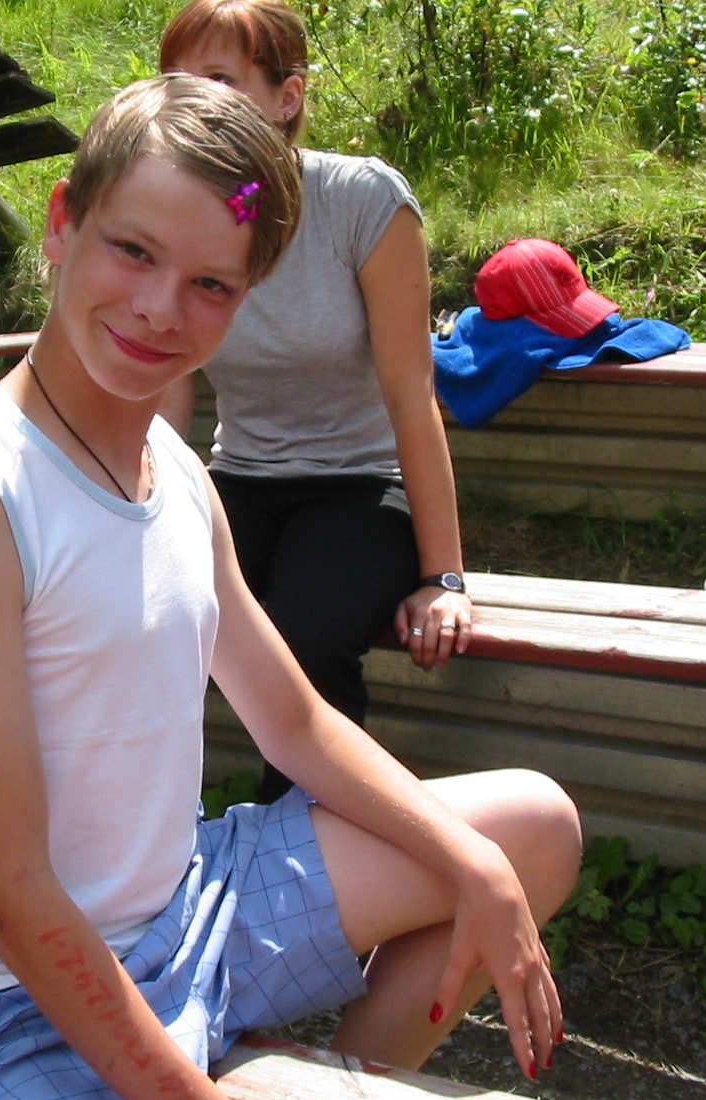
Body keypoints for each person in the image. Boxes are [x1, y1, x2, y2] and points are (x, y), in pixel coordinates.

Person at [0, 74, 582, 1100]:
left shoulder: (176, 472)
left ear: (245, 299)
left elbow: (291, 721)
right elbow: (8, 891)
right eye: (132, 252)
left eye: (210, 284)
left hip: (191, 910)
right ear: (62, 223)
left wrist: (470, 861)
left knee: (530, 829)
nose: (160, 309)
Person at [156, 0, 470, 801]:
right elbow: (168, 391)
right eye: (177, 82)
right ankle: (141, 841)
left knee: (306, 636)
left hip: (359, 484)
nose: (193, 102)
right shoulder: (182, 214)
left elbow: (411, 393)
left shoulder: (362, 202)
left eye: (220, 80)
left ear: (286, 97)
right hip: (240, 477)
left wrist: (444, 578)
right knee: (147, 616)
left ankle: (313, 846)